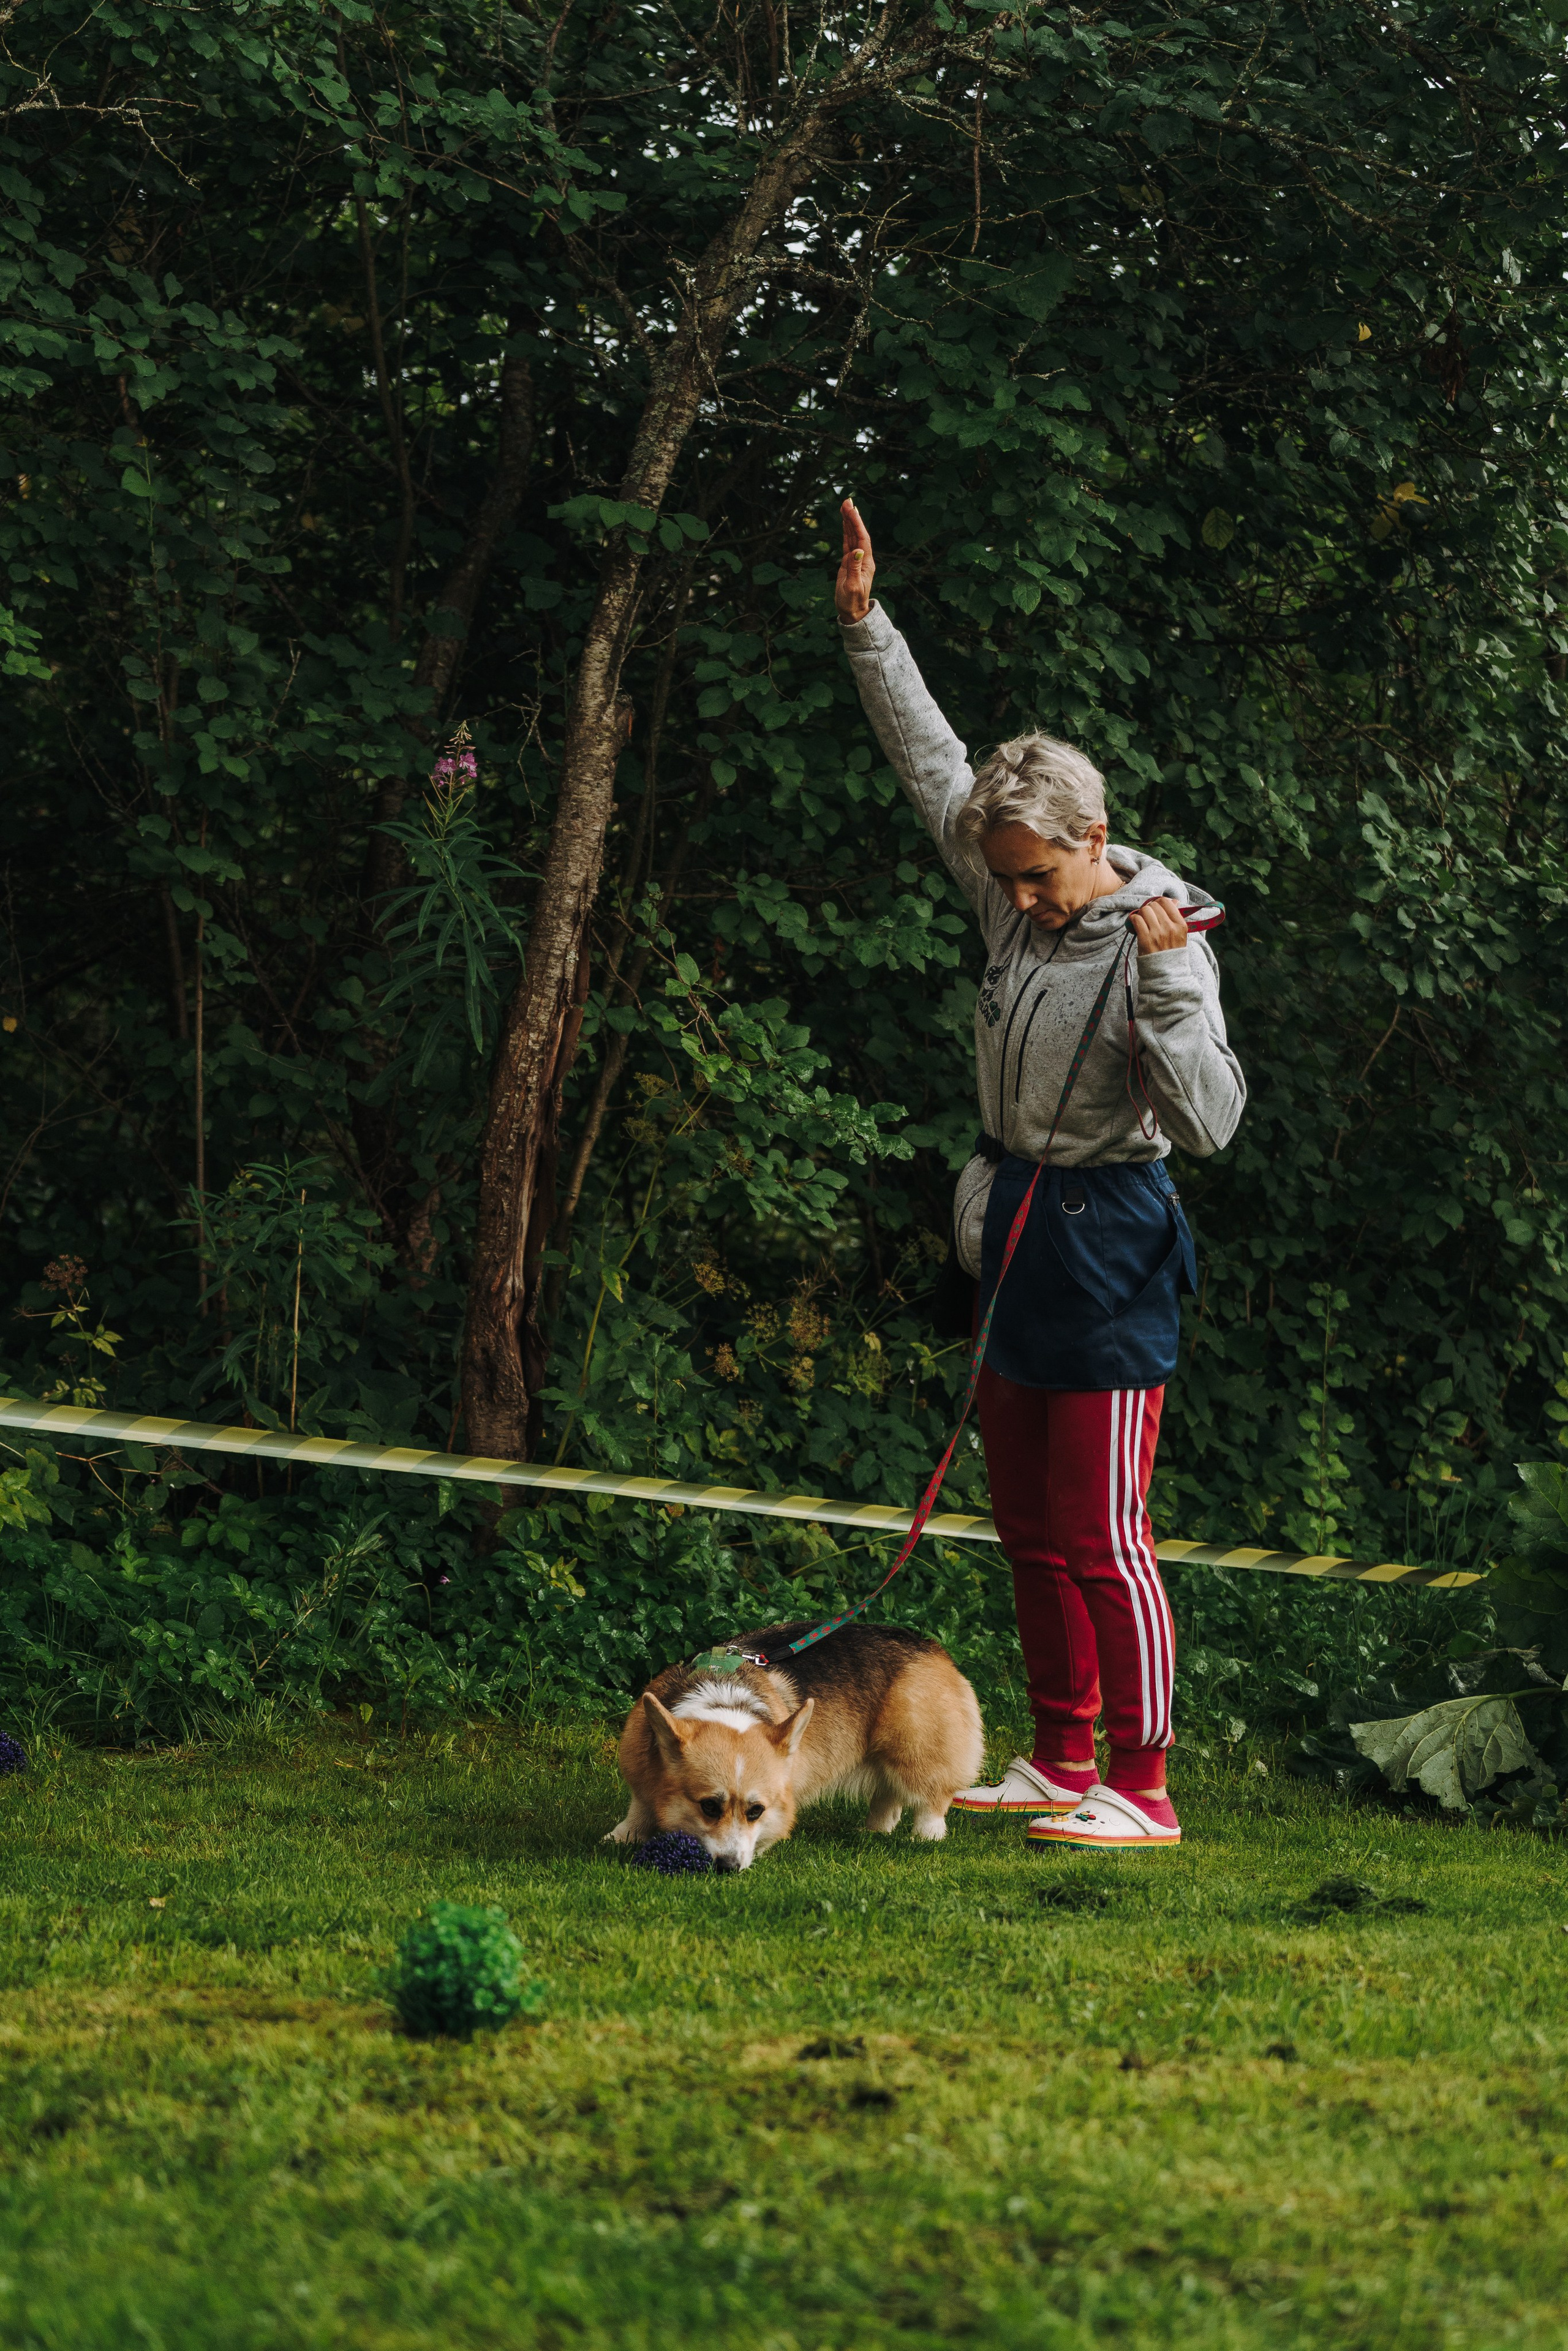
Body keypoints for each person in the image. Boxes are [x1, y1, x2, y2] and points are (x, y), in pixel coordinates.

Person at [834, 499, 1246, 1850]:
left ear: (1093, 833)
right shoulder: (1008, 880)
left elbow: (1208, 1125)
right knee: (1020, 1519)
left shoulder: (1158, 936)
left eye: (1034, 879)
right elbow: (931, 763)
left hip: (1111, 1233)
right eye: (999, 877)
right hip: (1007, 1214)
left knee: (1100, 1532)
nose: (1013, 901)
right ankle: (1058, 1752)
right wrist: (864, 627)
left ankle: (1144, 1784)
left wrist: (1170, 979)